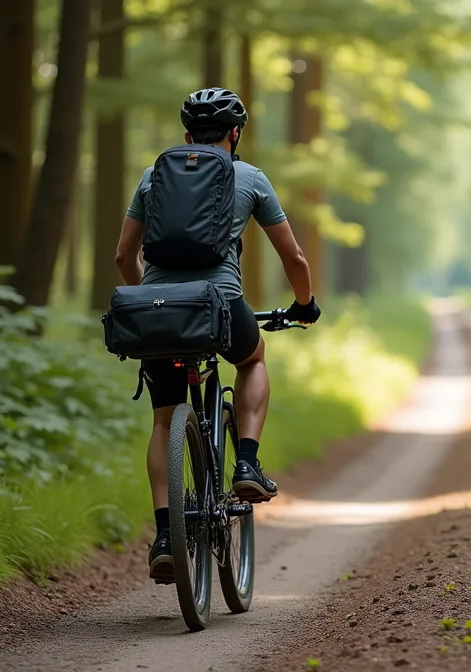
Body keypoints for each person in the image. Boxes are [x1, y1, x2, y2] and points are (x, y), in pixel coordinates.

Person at [113, 87, 321, 582]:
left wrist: (151, 303)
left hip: (159, 311)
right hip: (222, 307)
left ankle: (166, 537)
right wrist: (304, 305)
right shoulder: (250, 177)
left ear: (188, 136)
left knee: (163, 421)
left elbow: (123, 256)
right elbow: (294, 257)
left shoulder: (152, 176)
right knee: (253, 358)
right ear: (236, 133)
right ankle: (246, 463)